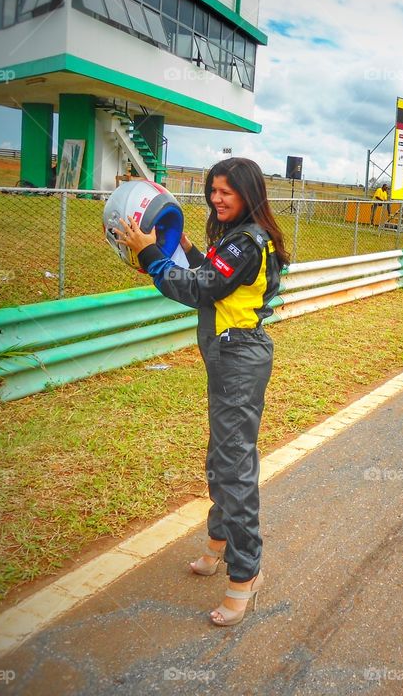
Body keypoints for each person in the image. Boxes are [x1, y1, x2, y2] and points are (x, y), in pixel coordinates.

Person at [116, 158, 289, 627]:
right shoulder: (238, 238)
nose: (216, 199)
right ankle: (218, 543)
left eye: (227, 192)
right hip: (229, 357)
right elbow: (215, 278)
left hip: (239, 360)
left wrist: (151, 255)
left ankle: (245, 574)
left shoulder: (246, 242)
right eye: (213, 190)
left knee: (233, 468)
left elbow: (199, 290)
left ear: (249, 193)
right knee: (221, 457)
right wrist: (188, 246)